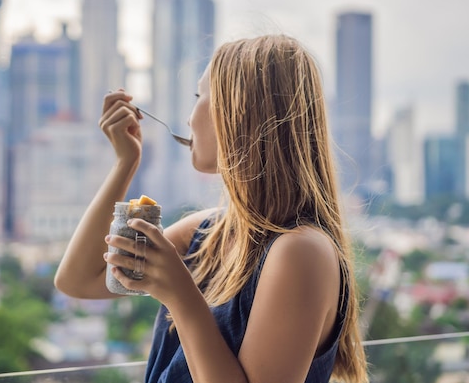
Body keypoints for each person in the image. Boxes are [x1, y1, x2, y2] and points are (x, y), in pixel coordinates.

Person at [54, 34, 369, 383]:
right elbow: (79, 280)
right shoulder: (205, 233)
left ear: (239, 113)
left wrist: (181, 296)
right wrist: (125, 164)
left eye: (198, 96)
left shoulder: (300, 252)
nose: (189, 118)